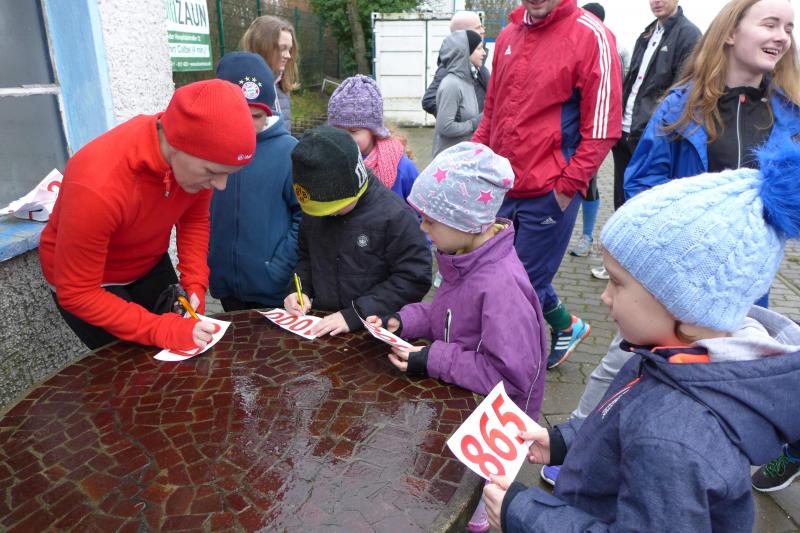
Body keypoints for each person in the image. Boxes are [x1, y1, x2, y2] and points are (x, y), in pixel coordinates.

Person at [484, 134, 800, 532]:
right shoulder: (676, 357)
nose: (604, 296)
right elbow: (621, 422)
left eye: (617, 283)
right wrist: (562, 441)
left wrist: (523, 514)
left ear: (685, 307)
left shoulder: (672, 439)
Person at [544, 0, 800, 487]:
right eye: (770, 23)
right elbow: (642, 181)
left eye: (788, 27)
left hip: (738, 287)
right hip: (667, 279)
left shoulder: (790, 114)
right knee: (623, 360)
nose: (782, 36)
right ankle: (575, 443)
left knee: (723, 383)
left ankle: (682, 470)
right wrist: (671, 240)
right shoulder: (683, 104)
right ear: (730, 32)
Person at [368, 142, 547, 533]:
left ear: (469, 223)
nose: (422, 228)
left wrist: (431, 358)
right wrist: (403, 321)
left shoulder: (501, 287)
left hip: (494, 428)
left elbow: (510, 376)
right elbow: (444, 316)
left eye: (431, 221)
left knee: (469, 500)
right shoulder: (464, 260)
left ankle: (476, 521)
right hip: (466, 404)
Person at [39, 80, 255, 352]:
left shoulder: (196, 162)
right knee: (135, 364)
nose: (220, 185)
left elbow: (194, 219)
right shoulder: (96, 183)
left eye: (228, 174)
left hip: (147, 262)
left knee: (182, 348)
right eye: (212, 172)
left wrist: (195, 281)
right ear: (178, 143)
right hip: (90, 284)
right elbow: (77, 292)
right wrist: (161, 329)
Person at [472, 0, 622, 370]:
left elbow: (603, 128)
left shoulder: (592, 35)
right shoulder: (508, 35)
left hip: (549, 193)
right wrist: (471, 162)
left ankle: (508, 370)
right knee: (503, 273)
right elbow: (492, 112)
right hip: (501, 187)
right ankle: (567, 326)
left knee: (518, 290)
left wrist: (566, 188)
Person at [283, 126, 431, 337]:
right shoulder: (316, 212)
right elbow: (306, 258)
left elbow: (414, 277)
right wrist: (299, 289)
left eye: (334, 207)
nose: (329, 214)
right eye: (320, 210)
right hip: (326, 325)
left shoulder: (395, 216)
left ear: (356, 186)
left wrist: (356, 314)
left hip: (375, 330)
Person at [590, 0, 700, 277]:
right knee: (621, 200)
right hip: (625, 131)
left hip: (651, 136)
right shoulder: (648, 32)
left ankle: (640, 272)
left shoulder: (689, 35)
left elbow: (682, 90)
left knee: (645, 206)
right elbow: (632, 82)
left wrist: (658, 130)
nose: (656, 1)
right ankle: (619, 266)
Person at [209, 52, 301, 311]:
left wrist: (278, 267)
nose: (246, 125)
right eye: (238, 114)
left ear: (268, 112)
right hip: (226, 286)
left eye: (256, 116)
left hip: (274, 290)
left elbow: (305, 216)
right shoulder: (209, 150)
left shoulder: (288, 152)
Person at [327, 75, 418, 200]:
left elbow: (419, 207)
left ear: (374, 130)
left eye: (353, 131)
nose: (343, 138)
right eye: (337, 130)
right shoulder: (325, 160)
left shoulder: (402, 167)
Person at [569, 2, 608, 258]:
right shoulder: (570, 46)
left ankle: (587, 236)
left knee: (588, 184)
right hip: (565, 132)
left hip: (589, 135)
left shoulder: (604, 50)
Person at [422, 11, 490, 117]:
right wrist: (462, 118)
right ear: (462, 34)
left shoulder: (477, 63)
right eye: (478, 28)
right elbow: (429, 100)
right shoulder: (451, 67)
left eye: (482, 27)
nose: (482, 31)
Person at [240, 15, 299, 132]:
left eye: (289, 49)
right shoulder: (246, 88)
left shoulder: (281, 83)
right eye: (282, 48)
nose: (288, 55)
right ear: (263, 46)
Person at [433, 30, 485, 156]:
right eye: (479, 48)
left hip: (463, 157)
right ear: (465, 52)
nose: (484, 53)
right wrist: (475, 123)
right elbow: (445, 127)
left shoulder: (469, 80)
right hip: (449, 160)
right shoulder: (452, 84)